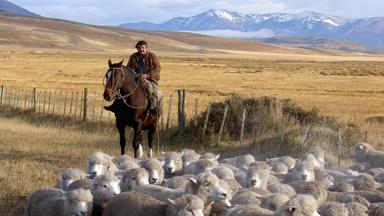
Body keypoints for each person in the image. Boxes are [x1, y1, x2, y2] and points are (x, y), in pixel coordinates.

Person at [104, 40, 161, 114]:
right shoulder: (133, 57)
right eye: (139, 48)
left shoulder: (152, 56)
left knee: (152, 91)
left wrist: (147, 75)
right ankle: (115, 105)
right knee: (120, 89)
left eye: (143, 47)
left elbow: (157, 68)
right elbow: (129, 69)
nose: (141, 49)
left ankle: (153, 108)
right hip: (135, 78)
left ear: (146, 48)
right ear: (137, 49)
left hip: (149, 79)